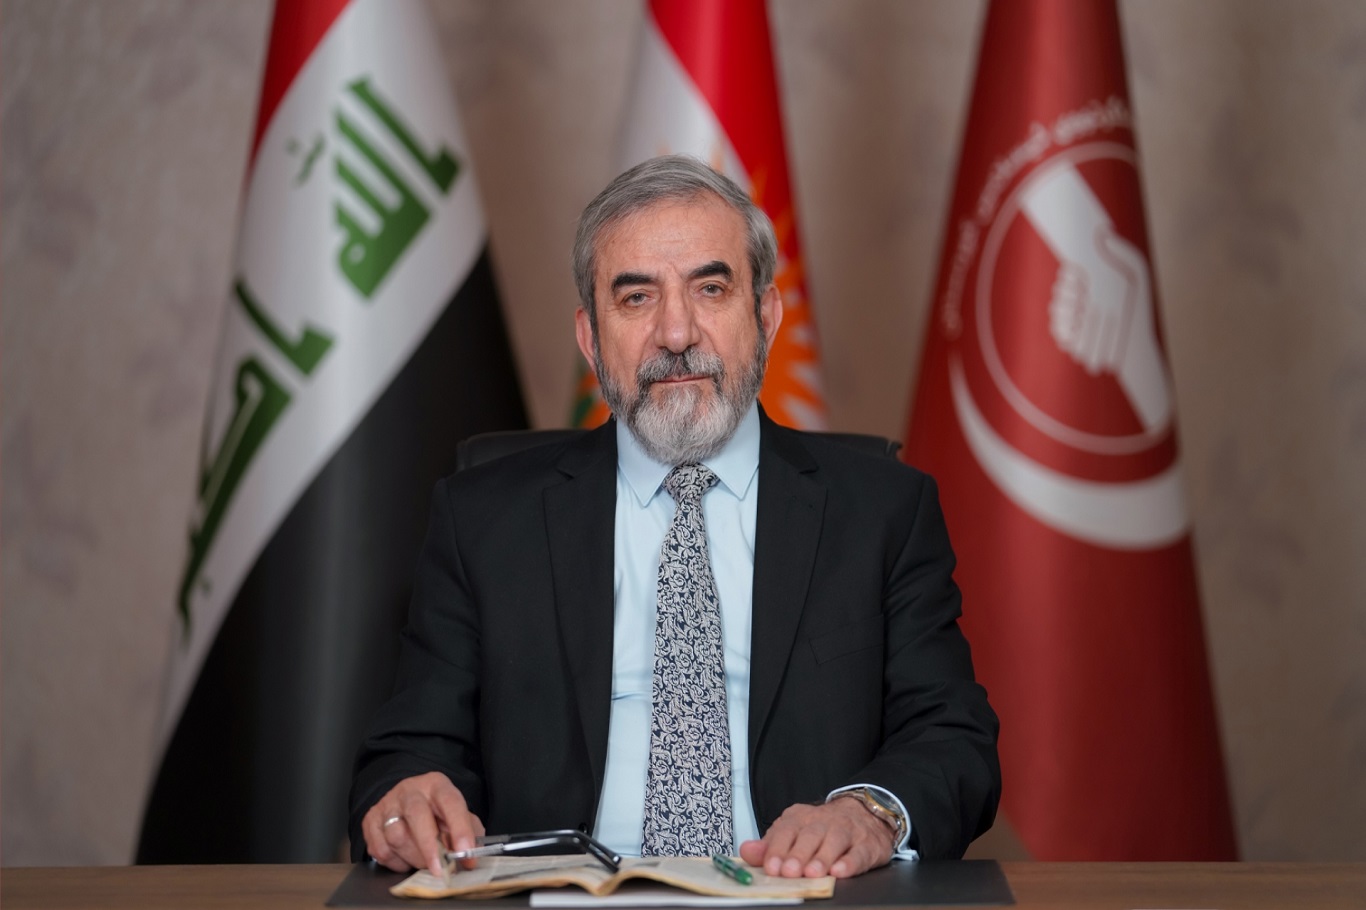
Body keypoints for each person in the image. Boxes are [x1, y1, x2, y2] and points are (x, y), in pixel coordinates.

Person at [349, 155, 1000, 880]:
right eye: (636, 298)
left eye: (710, 289)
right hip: (560, 900)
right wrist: (405, 801)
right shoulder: (483, 521)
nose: (677, 331)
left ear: (765, 317)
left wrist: (868, 811)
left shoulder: (883, 512)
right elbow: (408, 753)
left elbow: (953, 737)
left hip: (797, 895)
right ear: (590, 338)